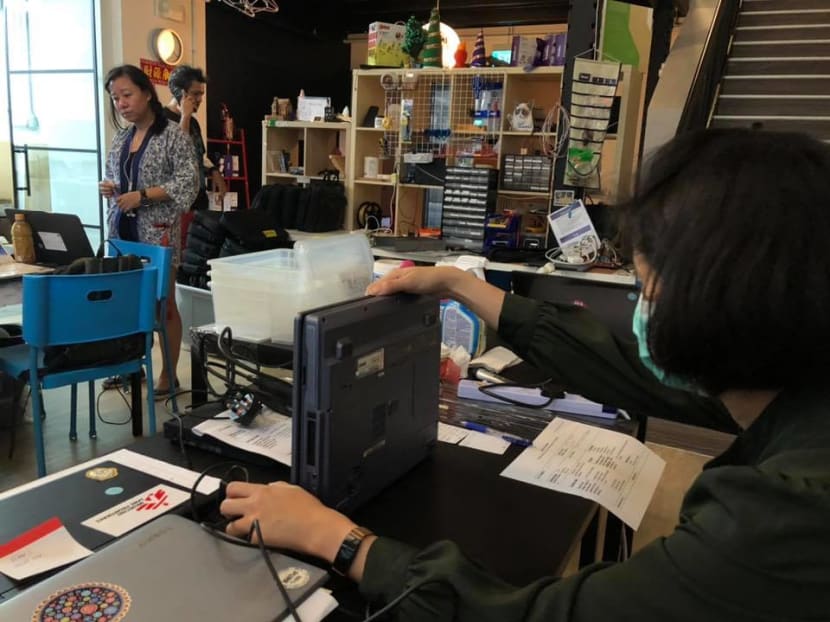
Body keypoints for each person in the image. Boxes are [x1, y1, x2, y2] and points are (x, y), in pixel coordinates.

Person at [220, 129, 830, 620]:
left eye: (645, 287)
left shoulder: (781, 523)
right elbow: (624, 370)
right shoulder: (793, 382)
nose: (641, 311)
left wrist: (340, 540)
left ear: (720, 301)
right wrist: (462, 285)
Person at [98, 64, 198, 395]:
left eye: (127, 95)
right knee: (126, 302)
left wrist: (141, 196)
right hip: (123, 232)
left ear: (145, 93)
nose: (121, 103)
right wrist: (110, 188)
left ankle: (169, 375)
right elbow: (118, 177)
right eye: (115, 98)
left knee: (162, 305)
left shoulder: (173, 135)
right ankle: (130, 367)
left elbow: (188, 182)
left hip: (157, 233)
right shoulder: (122, 138)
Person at [164, 65, 227, 247]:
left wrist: (215, 172)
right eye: (195, 93)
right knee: (178, 254)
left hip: (198, 199)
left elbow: (198, 154)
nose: (200, 99)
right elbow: (179, 154)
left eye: (202, 94)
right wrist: (184, 117)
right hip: (176, 204)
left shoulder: (194, 123)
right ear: (180, 93)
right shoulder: (161, 121)